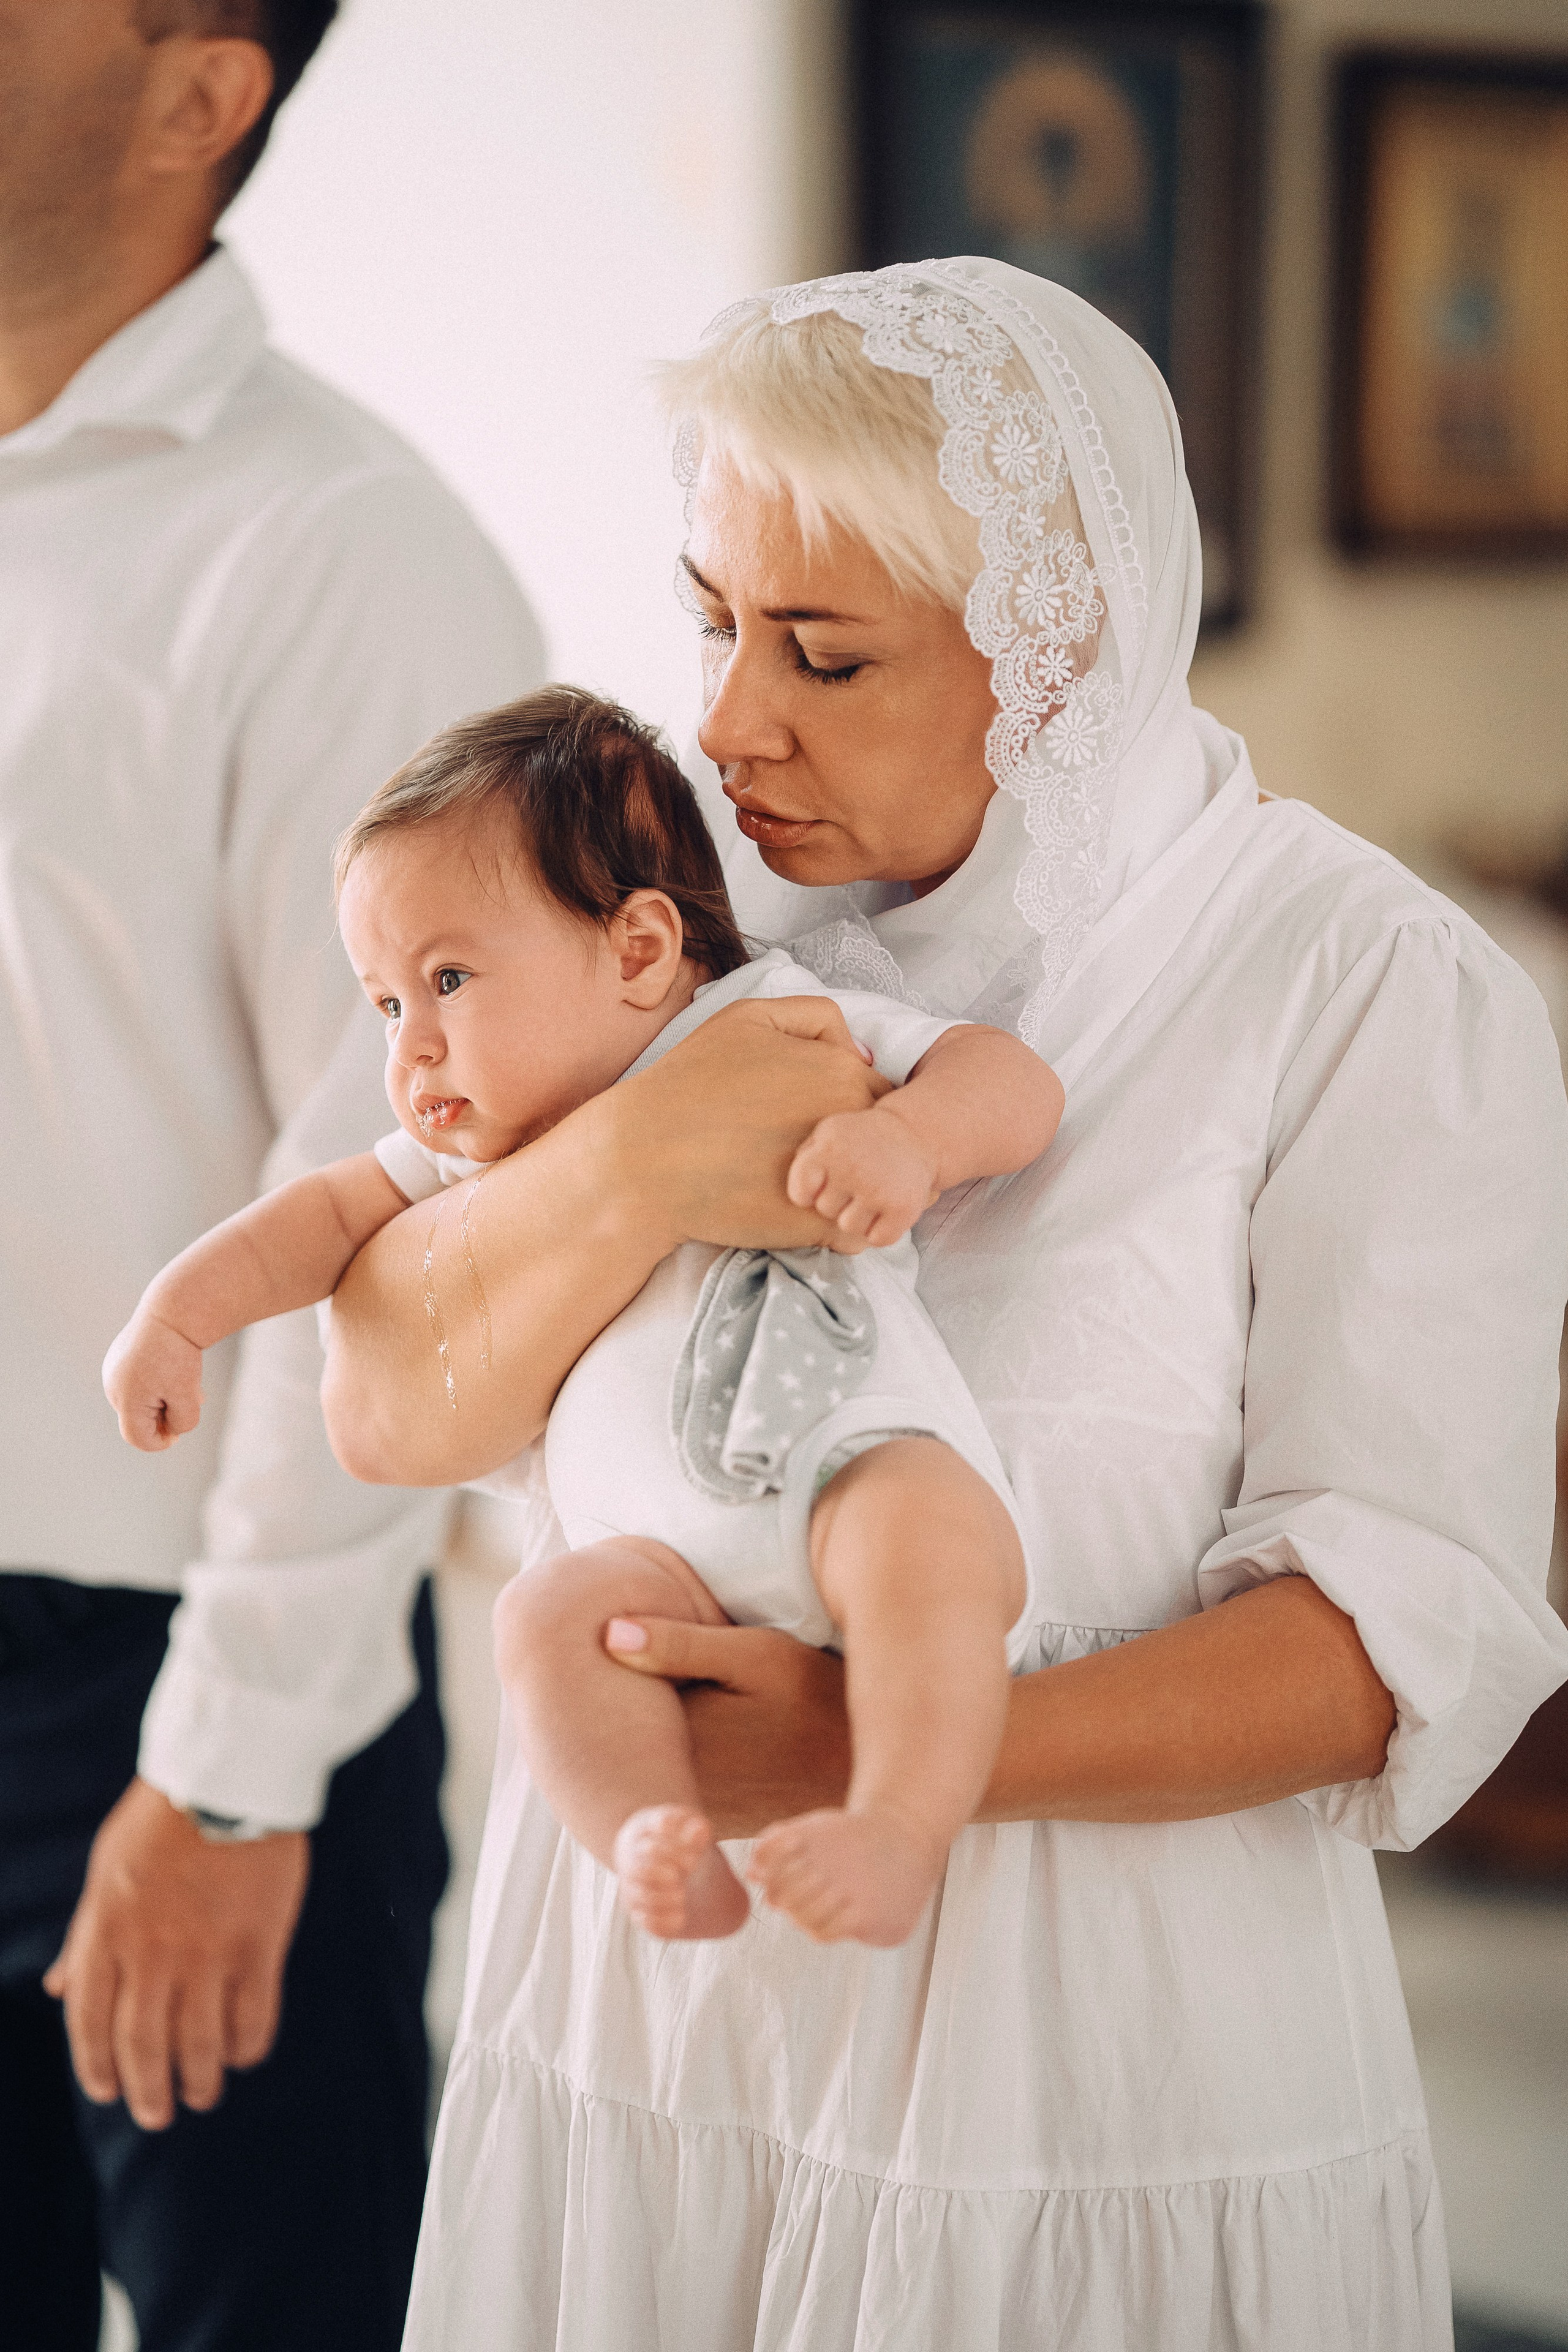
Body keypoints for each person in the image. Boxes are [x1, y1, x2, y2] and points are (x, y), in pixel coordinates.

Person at [326, 262, 1568, 2351]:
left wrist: (878, 1755)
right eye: (712, 619)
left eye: (823, 653)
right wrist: (641, 1157)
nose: (731, 720)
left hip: (1073, 2064)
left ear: (1060, 652)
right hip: (655, 2019)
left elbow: (1392, 1650)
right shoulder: (664, 915)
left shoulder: (1361, 985)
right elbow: (385, 1402)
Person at [0, 6, 543, 2348]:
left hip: (168, 1680)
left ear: (196, 97)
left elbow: (408, 1210)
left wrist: (228, 1780)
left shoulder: (349, 557)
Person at [104, 687, 1060, 1948]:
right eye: (387, 1004)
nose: (412, 1048)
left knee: (924, 1544)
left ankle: (899, 1827)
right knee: (543, 1622)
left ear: (640, 951)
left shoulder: (767, 1024)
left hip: (842, 1463)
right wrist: (178, 1315)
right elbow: (319, 1219)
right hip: (654, 1559)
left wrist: (913, 1139)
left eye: (447, 980)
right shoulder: (474, 1153)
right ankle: (650, 1840)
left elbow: (1009, 1080)